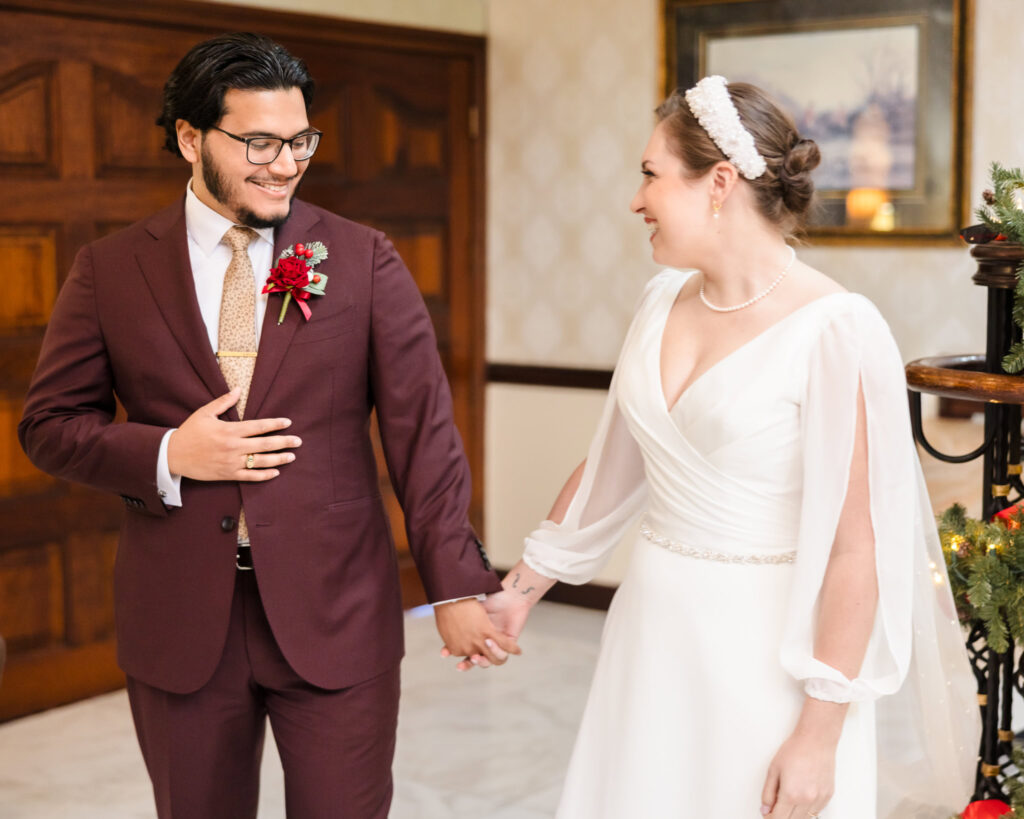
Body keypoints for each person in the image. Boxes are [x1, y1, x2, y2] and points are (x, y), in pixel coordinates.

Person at [18, 32, 516, 819]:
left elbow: (423, 434)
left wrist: (454, 582)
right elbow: (48, 425)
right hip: (179, 619)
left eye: (300, 141)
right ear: (190, 138)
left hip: (336, 610)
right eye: (259, 142)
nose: (285, 163)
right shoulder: (110, 270)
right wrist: (170, 450)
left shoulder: (363, 259)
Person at [478, 76, 979, 818]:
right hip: (650, 636)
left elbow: (856, 547)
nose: (636, 199)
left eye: (649, 174)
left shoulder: (838, 329)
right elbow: (614, 466)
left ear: (718, 183)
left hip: (766, 658)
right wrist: (520, 590)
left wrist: (819, 730)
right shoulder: (658, 304)